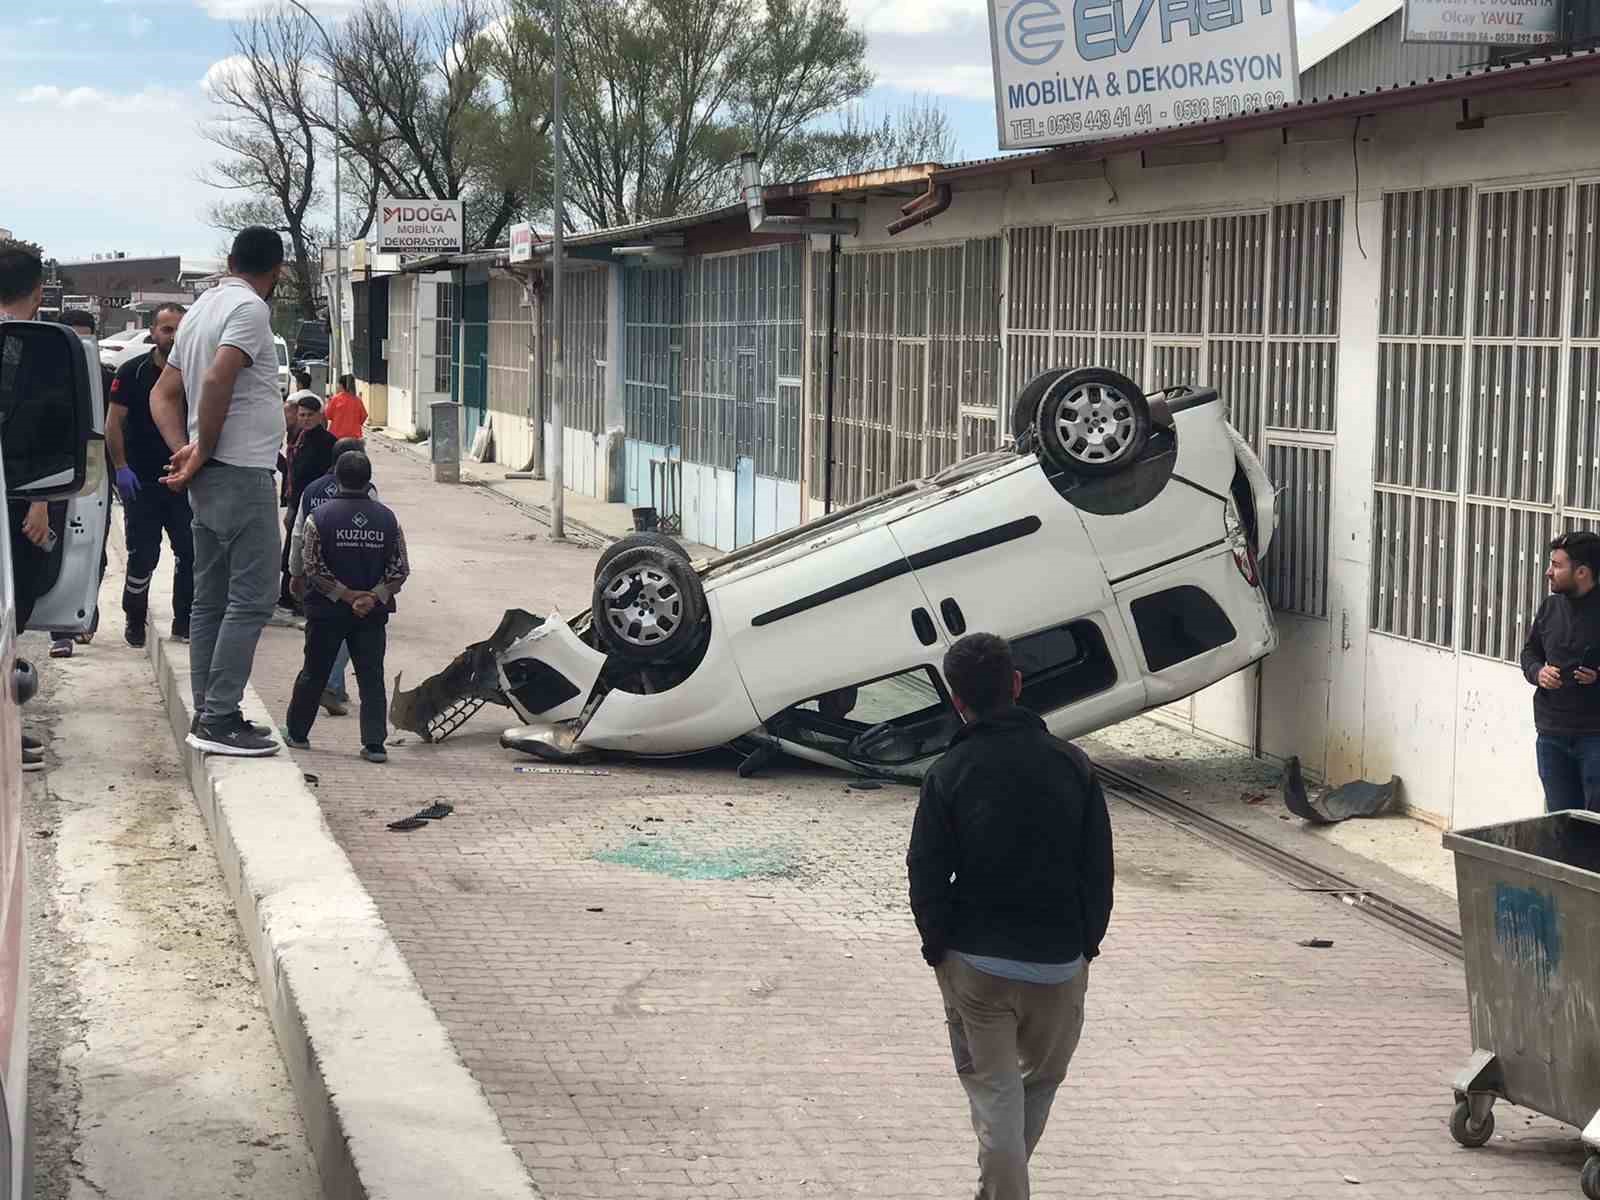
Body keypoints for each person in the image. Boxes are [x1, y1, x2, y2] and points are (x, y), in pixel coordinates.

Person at [907, 632, 1114, 1200]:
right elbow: (1099, 870)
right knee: (1039, 1082)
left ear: (957, 700)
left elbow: (925, 872)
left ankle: (1001, 1191)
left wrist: (939, 950)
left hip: (977, 966)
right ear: (1018, 686)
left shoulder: (949, 772)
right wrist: (1084, 947)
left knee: (995, 1094)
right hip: (1057, 965)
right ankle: (1001, 1187)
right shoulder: (1073, 765)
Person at [150, 225, 286, 758]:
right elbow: (215, 381)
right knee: (254, 599)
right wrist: (201, 448)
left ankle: (208, 707)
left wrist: (184, 449)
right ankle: (221, 717)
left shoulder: (203, 307)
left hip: (209, 477)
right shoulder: (250, 310)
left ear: (231, 259)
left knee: (209, 599)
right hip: (241, 472)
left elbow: (163, 395)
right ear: (275, 272)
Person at [282, 450, 408, 763]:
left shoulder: (319, 516)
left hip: (326, 613)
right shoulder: (387, 518)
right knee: (371, 677)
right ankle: (375, 744)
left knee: (314, 672)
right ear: (368, 480)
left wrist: (346, 595)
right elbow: (400, 569)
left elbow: (312, 566)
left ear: (336, 477)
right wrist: (372, 597)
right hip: (372, 614)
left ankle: (298, 734)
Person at [106, 303, 191, 649]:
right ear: (153, 332)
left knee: (191, 553)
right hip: (141, 479)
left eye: (179, 329)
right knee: (143, 555)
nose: (173, 336)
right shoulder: (131, 373)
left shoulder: (196, 371)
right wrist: (122, 468)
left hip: (184, 479)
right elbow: (114, 425)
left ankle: (183, 621)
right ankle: (134, 616)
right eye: (167, 329)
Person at [0, 239, 53, 773]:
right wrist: (41, 499)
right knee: (13, 611)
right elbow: (41, 431)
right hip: (16, 500)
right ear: (38, 291)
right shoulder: (34, 346)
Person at [288, 435, 375, 715]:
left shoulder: (312, 489)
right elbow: (375, 531)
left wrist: (295, 572)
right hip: (353, 576)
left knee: (318, 634)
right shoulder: (369, 493)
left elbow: (298, 534)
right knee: (347, 634)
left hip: (318, 576)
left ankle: (322, 691)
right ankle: (333, 685)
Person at [1522, 531, 1600, 812]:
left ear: (1581, 572)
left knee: (1593, 823)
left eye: (1556, 565)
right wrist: (1538, 672)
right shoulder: (1550, 607)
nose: (1548, 572)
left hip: (1594, 736)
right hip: (1552, 733)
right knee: (1559, 821)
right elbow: (1529, 653)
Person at [52, 309, 113, 658]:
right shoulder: (45, 378)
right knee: (58, 544)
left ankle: (86, 604)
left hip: (95, 475)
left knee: (93, 546)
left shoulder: (105, 379)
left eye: (84, 337)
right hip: (55, 471)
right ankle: (61, 629)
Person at [279, 392, 335, 615]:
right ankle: (287, 597)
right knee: (292, 550)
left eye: (310, 415)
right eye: (301, 415)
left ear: (319, 417)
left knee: (309, 551)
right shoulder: (298, 437)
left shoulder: (328, 442)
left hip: (315, 506)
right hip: (296, 502)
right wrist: (289, 503)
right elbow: (292, 471)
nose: (305, 419)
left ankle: (302, 599)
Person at [324, 374, 367, 440]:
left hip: (336, 436)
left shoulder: (336, 399)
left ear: (341, 385)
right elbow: (364, 416)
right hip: (354, 437)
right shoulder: (357, 400)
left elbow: (328, 415)